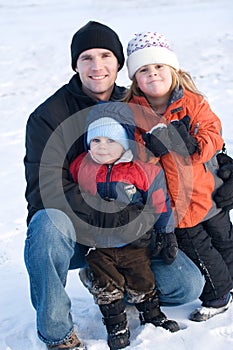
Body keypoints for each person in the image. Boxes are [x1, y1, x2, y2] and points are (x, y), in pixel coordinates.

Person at [23, 20, 231, 350]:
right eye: (86, 58)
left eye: (106, 55)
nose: (97, 66)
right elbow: (42, 191)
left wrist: (220, 169)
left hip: (133, 233)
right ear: (74, 64)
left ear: (119, 64)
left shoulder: (136, 102)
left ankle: (118, 283)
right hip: (76, 230)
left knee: (187, 285)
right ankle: (58, 334)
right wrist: (112, 215)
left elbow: (176, 149)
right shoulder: (49, 115)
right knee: (46, 225)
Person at [124, 30, 233, 322]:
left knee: (225, 242)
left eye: (159, 66)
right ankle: (218, 295)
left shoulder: (193, 103)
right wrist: (151, 150)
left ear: (173, 70)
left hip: (210, 193)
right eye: (144, 70)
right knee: (202, 252)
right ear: (136, 80)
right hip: (178, 207)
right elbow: (135, 159)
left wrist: (195, 146)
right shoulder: (134, 113)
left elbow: (214, 133)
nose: (153, 74)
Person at [69, 102, 180, 349]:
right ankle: (116, 325)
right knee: (105, 284)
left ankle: (152, 315)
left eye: (110, 140)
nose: (102, 147)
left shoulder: (142, 170)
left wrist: (166, 233)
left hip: (134, 242)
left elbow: (160, 202)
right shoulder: (81, 166)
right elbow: (69, 195)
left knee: (142, 278)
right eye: (95, 141)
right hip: (98, 245)